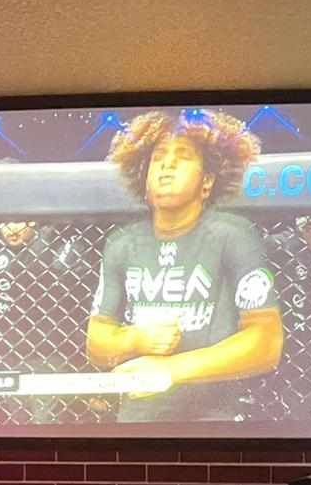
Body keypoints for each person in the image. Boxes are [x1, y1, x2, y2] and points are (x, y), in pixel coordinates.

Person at [86, 109, 284, 422]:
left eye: (183, 157)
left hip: (214, 417)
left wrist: (171, 369)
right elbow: (96, 342)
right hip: (138, 418)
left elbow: (266, 341)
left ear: (207, 182)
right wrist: (135, 339)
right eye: (158, 157)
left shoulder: (233, 234)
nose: (167, 165)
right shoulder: (122, 243)